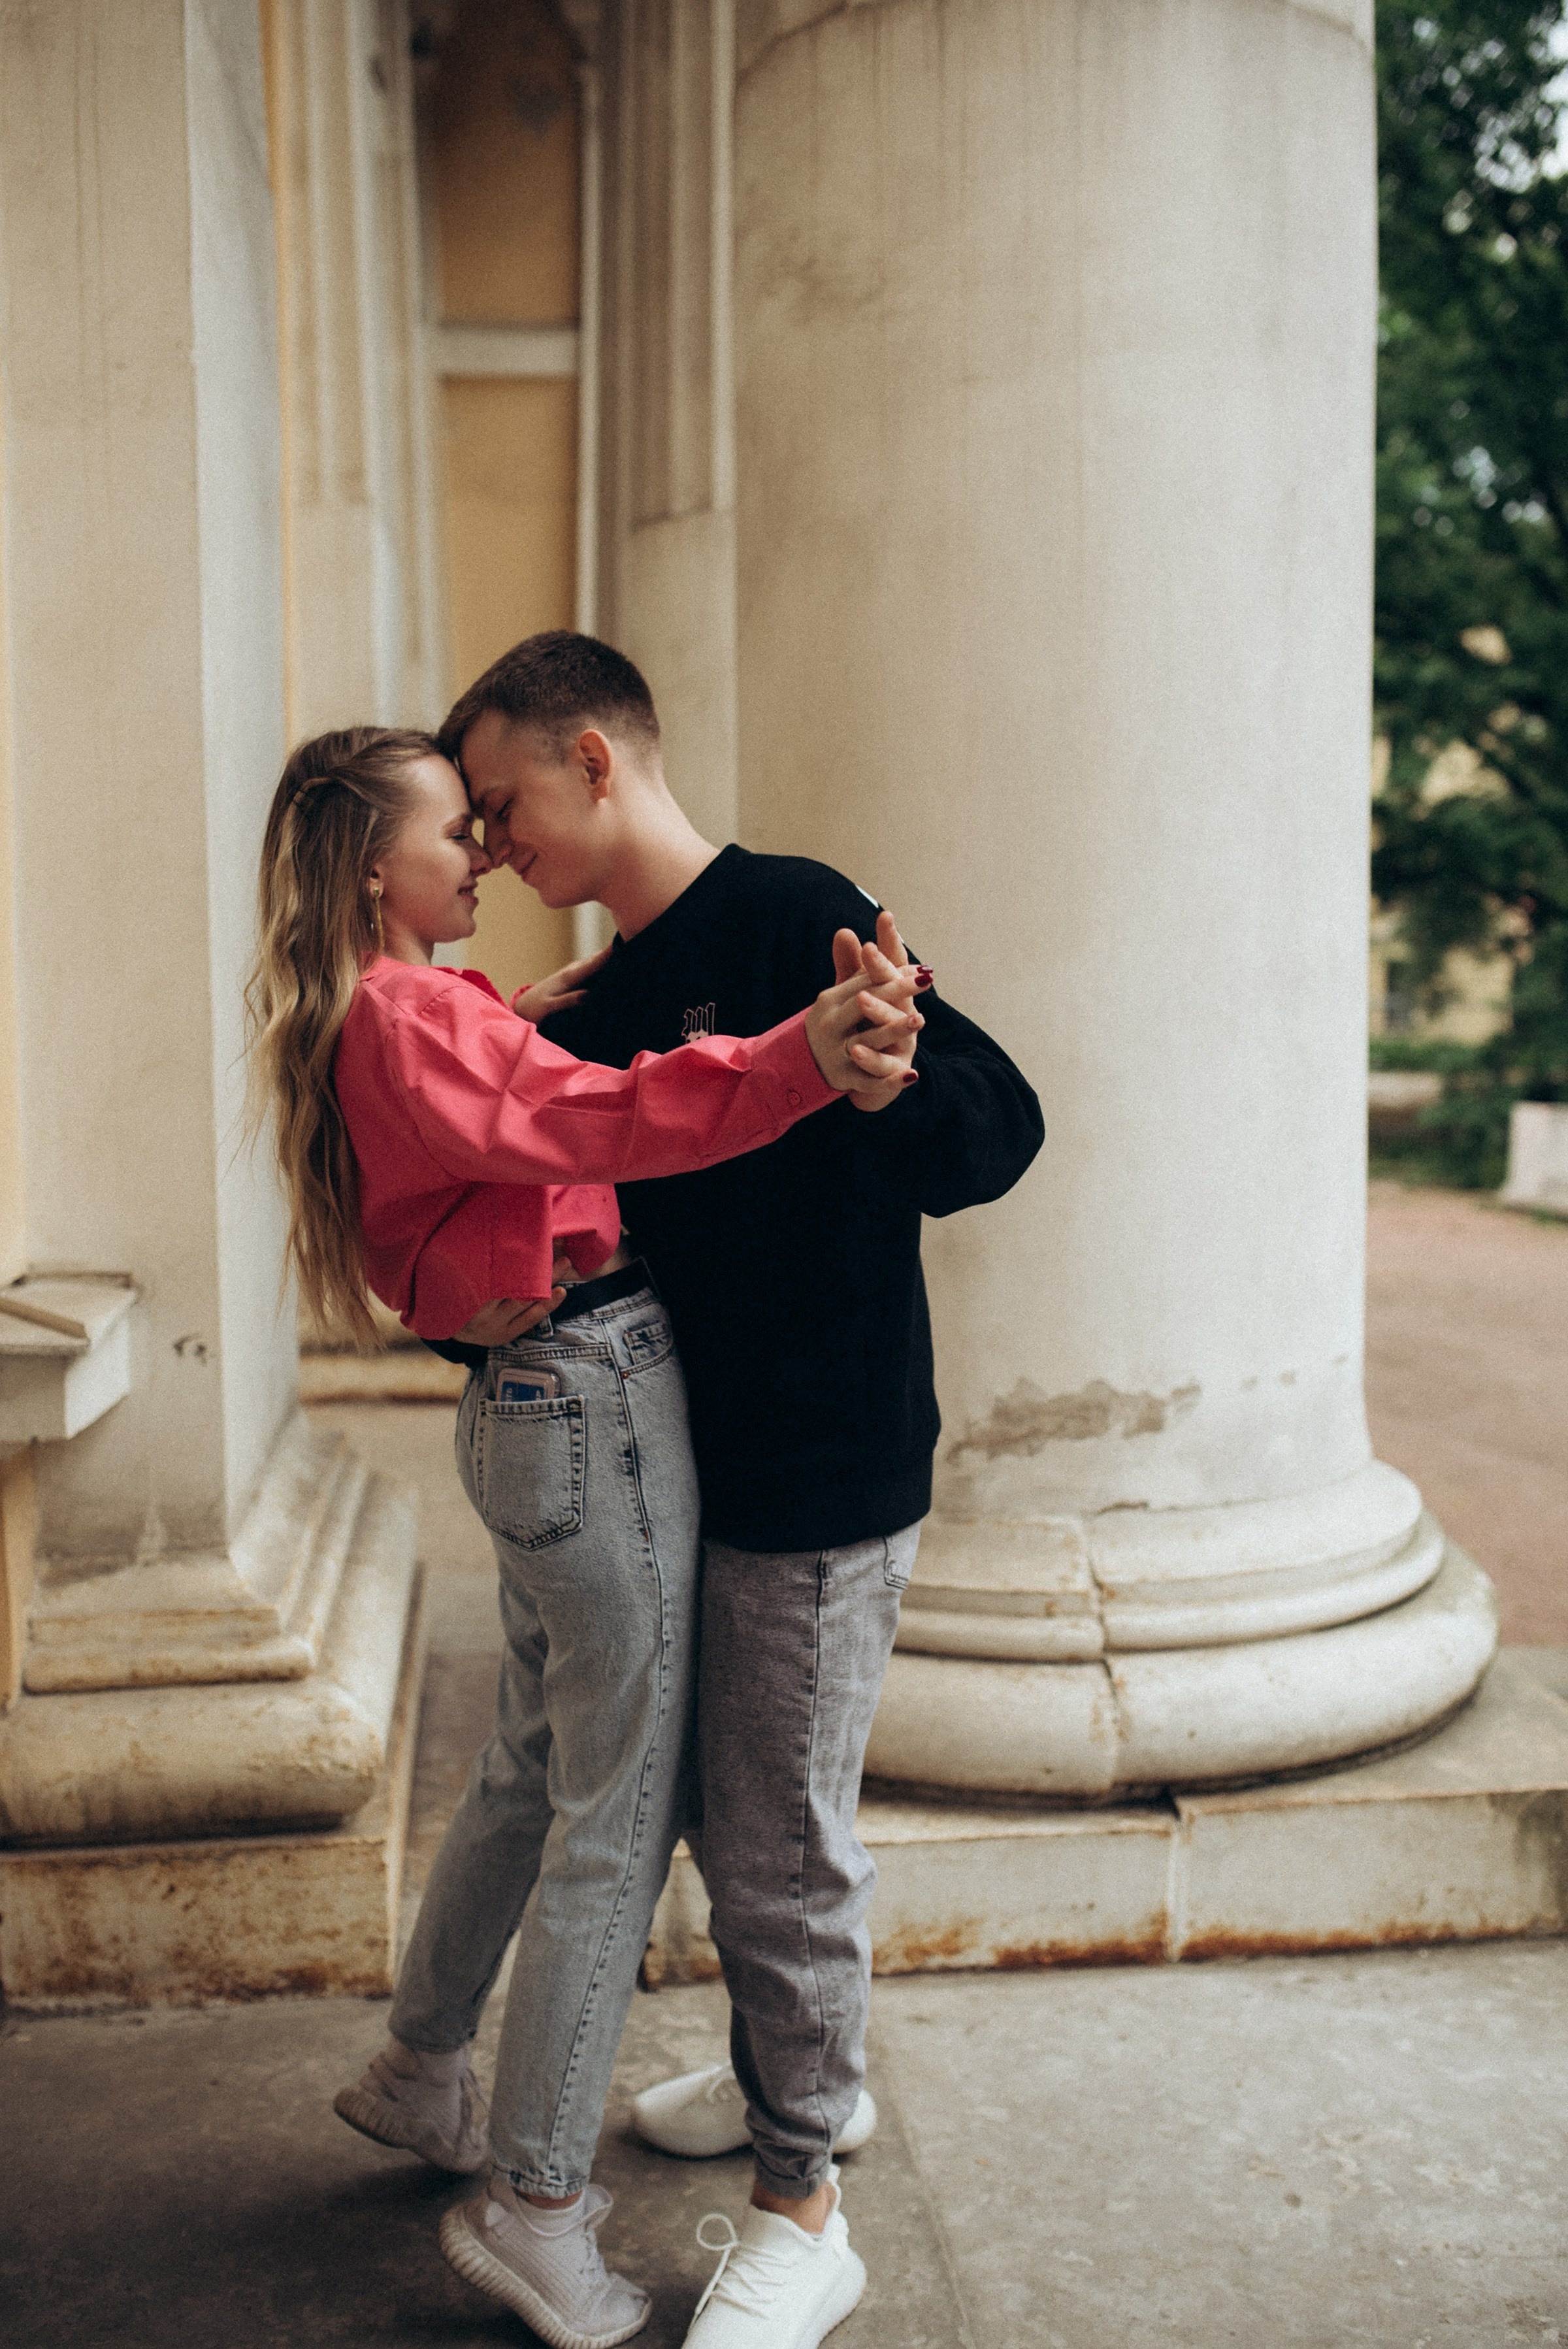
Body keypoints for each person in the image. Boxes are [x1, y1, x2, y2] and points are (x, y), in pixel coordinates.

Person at [246, 725, 923, 2349]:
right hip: (590, 1398)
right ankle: (538, 2200)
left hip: (536, 1405)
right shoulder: (417, 1018)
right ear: (367, 868)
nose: (477, 849)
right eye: (450, 829)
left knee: (530, 1757)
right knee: (612, 1815)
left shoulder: (405, 1009)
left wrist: (510, 1018)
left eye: (487, 818)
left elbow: (496, 1098)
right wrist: (799, 1054)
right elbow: (612, 1121)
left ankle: (421, 2071)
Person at [441, 634, 1044, 2349]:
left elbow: (1000, 1136)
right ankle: (794, 2075)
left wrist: (888, 1066)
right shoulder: (609, 999)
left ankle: (806, 2203)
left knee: (779, 1844)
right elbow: (558, 1240)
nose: (489, 850)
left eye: (500, 806)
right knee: (719, 1806)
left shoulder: (801, 915)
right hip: (674, 1476)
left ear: (594, 758)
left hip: (825, 1468)